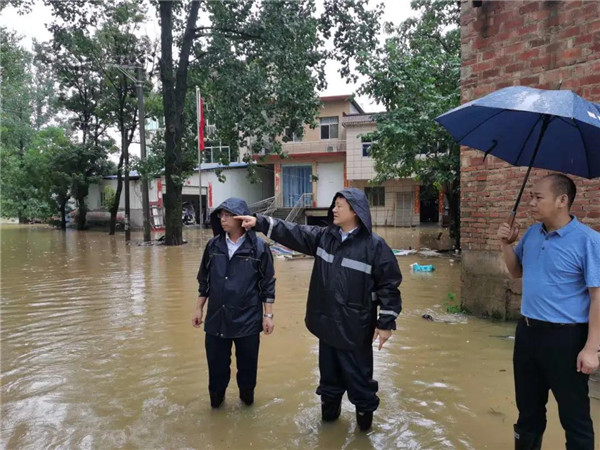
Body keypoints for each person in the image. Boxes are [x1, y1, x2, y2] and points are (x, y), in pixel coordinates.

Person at [235, 188, 402, 431]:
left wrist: (386, 323)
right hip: (326, 326)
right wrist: (260, 222)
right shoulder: (325, 237)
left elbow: (389, 285)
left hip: (356, 330)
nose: (333, 209)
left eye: (339, 205)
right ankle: (329, 430)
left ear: (355, 210)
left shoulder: (375, 246)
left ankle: (363, 434)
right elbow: (294, 232)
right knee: (329, 383)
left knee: (361, 385)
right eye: (334, 204)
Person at [497, 174, 600, 450]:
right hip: (528, 334)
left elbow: (597, 296)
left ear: (562, 200)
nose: (531, 202)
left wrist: (592, 348)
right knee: (528, 413)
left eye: (538, 197)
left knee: (574, 417)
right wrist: (506, 245)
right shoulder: (532, 234)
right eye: (530, 196)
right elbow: (516, 272)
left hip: (566, 340)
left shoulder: (588, 241)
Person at [193, 197, 276, 409]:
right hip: (216, 319)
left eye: (228, 215)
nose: (223, 219)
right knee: (217, 371)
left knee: (247, 370)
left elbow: (267, 283)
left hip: (247, 320)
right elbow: (205, 280)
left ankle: (247, 406)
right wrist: (198, 308)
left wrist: (268, 315)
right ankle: (217, 407)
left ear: (241, 218)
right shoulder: (213, 246)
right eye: (221, 215)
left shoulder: (259, 248)